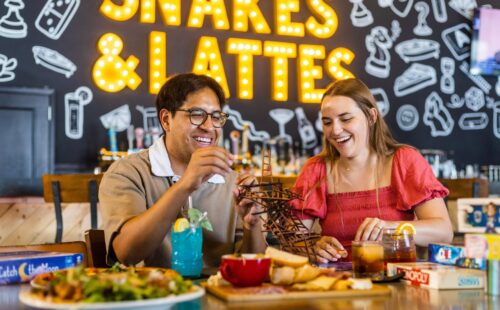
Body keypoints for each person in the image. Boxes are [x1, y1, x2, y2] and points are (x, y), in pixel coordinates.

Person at [99, 73, 266, 268]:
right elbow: (126, 253)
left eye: (216, 117)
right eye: (196, 115)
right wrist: (185, 184)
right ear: (166, 120)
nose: (209, 127)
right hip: (156, 294)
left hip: (219, 294)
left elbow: (252, 266)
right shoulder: (127, 173)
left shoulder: (233, 182)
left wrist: (252, 226)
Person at [290, 78, 453, 263]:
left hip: (396, 284)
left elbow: (443, 232)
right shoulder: (316, 169)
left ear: (371, 117)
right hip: (339, 285)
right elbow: (293, 242)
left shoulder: (405, 160)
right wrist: (313, 247)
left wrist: (391, 229)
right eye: (327, 122)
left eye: (346, 119)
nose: (335, 130)